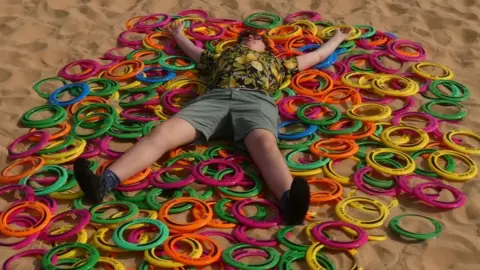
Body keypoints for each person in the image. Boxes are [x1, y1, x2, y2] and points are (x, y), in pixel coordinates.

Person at [74, 21, 351, 225]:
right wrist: (178, 34)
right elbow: (193, 52)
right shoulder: (221, 58)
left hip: (255, 102)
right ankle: (105, 183)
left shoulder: (277, 64)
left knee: (265, 144)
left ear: (266, 47)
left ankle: (290, 202)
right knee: (163, 133)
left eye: (256, 37)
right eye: (247, 36)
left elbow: (316, 56)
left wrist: (337, 37)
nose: (251, 38)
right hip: (214, 100)